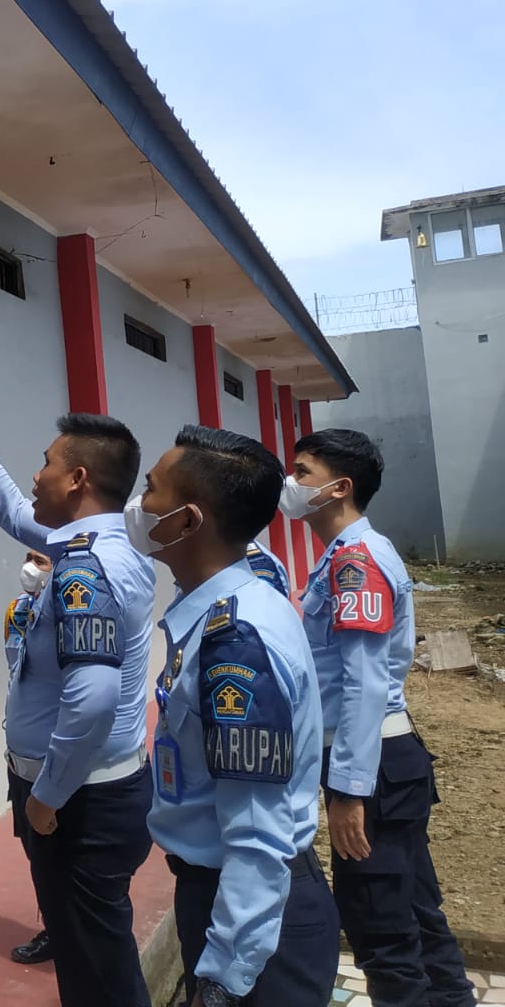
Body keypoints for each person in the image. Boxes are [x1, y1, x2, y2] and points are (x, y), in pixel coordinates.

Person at [0, 368, 156, 1007]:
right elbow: (11, 508)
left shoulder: (86, 566)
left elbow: (95, 693)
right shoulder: (92, 542)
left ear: (78, 479)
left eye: (46, 463)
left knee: (97, 967)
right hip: (84, 790)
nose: (36, 474)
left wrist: (46, 795)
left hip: (79, 801)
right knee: (89, 956)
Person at [135, 426, 338, 1007]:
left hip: (256, 919)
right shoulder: (222, 609)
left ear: (186, 521)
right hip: (225, 897)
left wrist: (222, 980)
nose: (138, 505)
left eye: (151, 490)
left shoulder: (236, 641)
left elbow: (257, 833)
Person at [284, 429, 475, 1007]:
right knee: (414, 909)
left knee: (382, 934)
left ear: (339, 488)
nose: (289, 484)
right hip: (384, 765)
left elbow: (365, 686)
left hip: (372, 770)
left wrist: (347, 791)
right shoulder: (344, 556)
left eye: (301, 472)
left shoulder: (355, 563)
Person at [3, 549, 56, 967]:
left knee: (66, 853)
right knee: (35, 850)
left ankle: (75, 930)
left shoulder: (72, 612)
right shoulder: (16, 611)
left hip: (57, 761)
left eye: (42, 561)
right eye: (30, 559)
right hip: (20, 760)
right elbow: (15, 670)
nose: (32, 568)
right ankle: (55, 927)